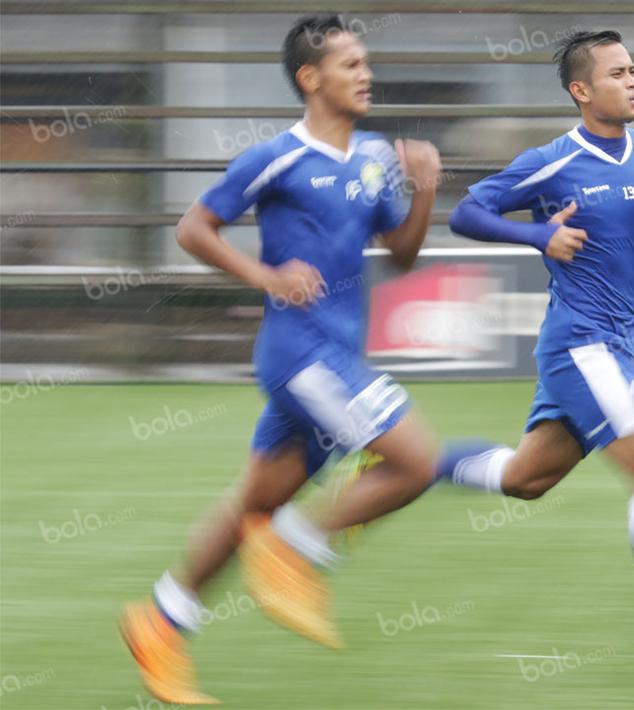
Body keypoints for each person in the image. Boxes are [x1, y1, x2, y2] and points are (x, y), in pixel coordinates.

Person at [119, 14, 443, 703]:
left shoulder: (378, 155)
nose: (367, 75)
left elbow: (403, 256)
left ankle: (160, 619)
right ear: (310, 78)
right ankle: (294, 551)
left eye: (366, 63)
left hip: (335, 357)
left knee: (250, 506)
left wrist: (422, 190)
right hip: (300, 355)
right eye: (351, 65)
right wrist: (265, 278)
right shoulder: (277, 157)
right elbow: (193, 228)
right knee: (416, 461)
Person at [440, 29, 634, 659]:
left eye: (633, 70)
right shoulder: (553, 159)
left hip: (605, 345)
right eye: (617, 73)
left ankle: (410, 464)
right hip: (582, 344)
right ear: (581, 91)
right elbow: (466, 212)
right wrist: (536, 239)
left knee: (526, 479)